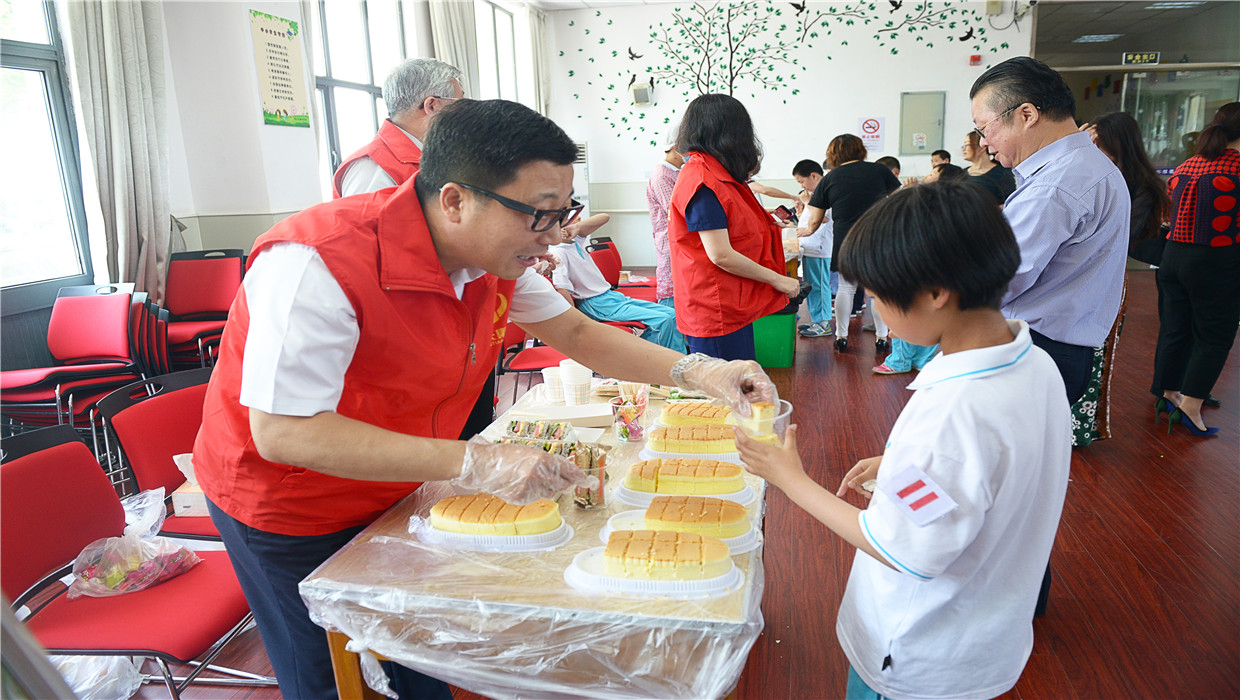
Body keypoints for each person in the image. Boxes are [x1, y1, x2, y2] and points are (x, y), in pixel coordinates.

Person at [193, 99, 779, 700]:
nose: (554, 237)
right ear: (455, 201)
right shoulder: (317, 260)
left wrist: (698, 370)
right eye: (539, 215)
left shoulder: (490, 257)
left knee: (418, 648)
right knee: (331, 678)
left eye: (563, 213)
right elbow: (286, 432)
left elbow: (578, 334)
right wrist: (474, 460)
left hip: (397, 482)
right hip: (291, 505)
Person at [736, 180, 1070, 700]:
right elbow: (982, 474)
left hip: (915, 656)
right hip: (985, 636)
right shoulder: (1034, 360)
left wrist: (791, 479)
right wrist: (900, 466)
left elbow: (897, 548)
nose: (876, 309)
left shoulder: (953, 415)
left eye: (877, 296)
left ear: (936, 293)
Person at [971, 56, 1128, 618]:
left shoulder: (1058, 185)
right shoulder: (1082, 167)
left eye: (986, 127)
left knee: (1005, 489)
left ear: (1026, 114)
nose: (984, 143)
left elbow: (999, 277)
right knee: (1020, 486)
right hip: (1058, 346)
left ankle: (1006, 606)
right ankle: (1015, 598)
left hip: (1039, 348)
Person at [668, 94, 800, 361]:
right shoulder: (702, 182)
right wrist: (779, 280)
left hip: (730, 304)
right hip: (715, 310)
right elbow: (721, 254)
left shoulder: (717, 175)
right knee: (726, 384)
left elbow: (733, 221)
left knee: (739, 378)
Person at [1075, 111, 1172, 444]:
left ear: (1118, 147)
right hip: (1082, 274)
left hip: (1106, 278)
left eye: (1098, 144)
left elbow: (1120, 235)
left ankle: (1079, 428)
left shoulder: (1138, 187)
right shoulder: (1094, 174)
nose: (1093, 150)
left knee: (1093, 352)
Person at [1151, 101, 1240, 436]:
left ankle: (1168, 393)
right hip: (1216, 259)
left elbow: (1167, 212)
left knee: (1175, 328)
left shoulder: (1187, 165)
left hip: (1173, 255)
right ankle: (1191, 405)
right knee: (1214, 336)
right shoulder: (1237, 168)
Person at [800, 134, 901, 353]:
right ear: (860, 149)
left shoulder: (830, 178)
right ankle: (881, 338)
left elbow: (816, 219)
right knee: (877, 291)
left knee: (846, 288)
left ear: (833, 154)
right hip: (876, 237)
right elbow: (899, 200)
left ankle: (841, 337)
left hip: (845, 239)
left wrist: (807, 231)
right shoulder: (880, 170)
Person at [550, 213, 686, 351]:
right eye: (572, 218)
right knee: (663, 320)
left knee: (673, 315)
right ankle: (655, 358)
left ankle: (670, 356)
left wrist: (577, 227)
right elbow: (562, 289)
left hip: (610, 297)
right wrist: (574, 322)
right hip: (595, 304)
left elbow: (604, 217)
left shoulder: (575, 242)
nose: (579, 219)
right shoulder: (558, 252)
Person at [332, 58, 464, 198]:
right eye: (460, 103)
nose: (465, 112)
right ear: (432, 106)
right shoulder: (374, 169)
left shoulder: (431, 155)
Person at [790, 159, 834, 338]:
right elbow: (812, 216)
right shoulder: (814, 193)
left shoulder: (826, 191)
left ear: (814, 176)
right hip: (810, 247)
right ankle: (817, 320)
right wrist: (801, 212)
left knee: (819, 286)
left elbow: (824, 218)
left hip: (820, 249)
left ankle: (823, 323)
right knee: (812, 286)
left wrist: (807, 201)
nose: (802, 186)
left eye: (802, 181)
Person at [647, 124, 683, 309]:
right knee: (672, 303)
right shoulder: (662, 175)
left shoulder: (677, 172)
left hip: (680, 243)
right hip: (671, 245)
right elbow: (677, 211)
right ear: (676, 147)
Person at [962, 130, 1016, 206]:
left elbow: (1010, 204)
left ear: (982, 147)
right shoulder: (960, 173)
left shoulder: (1002, 173)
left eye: (967, 145)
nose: (963, 149)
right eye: (963, 146)